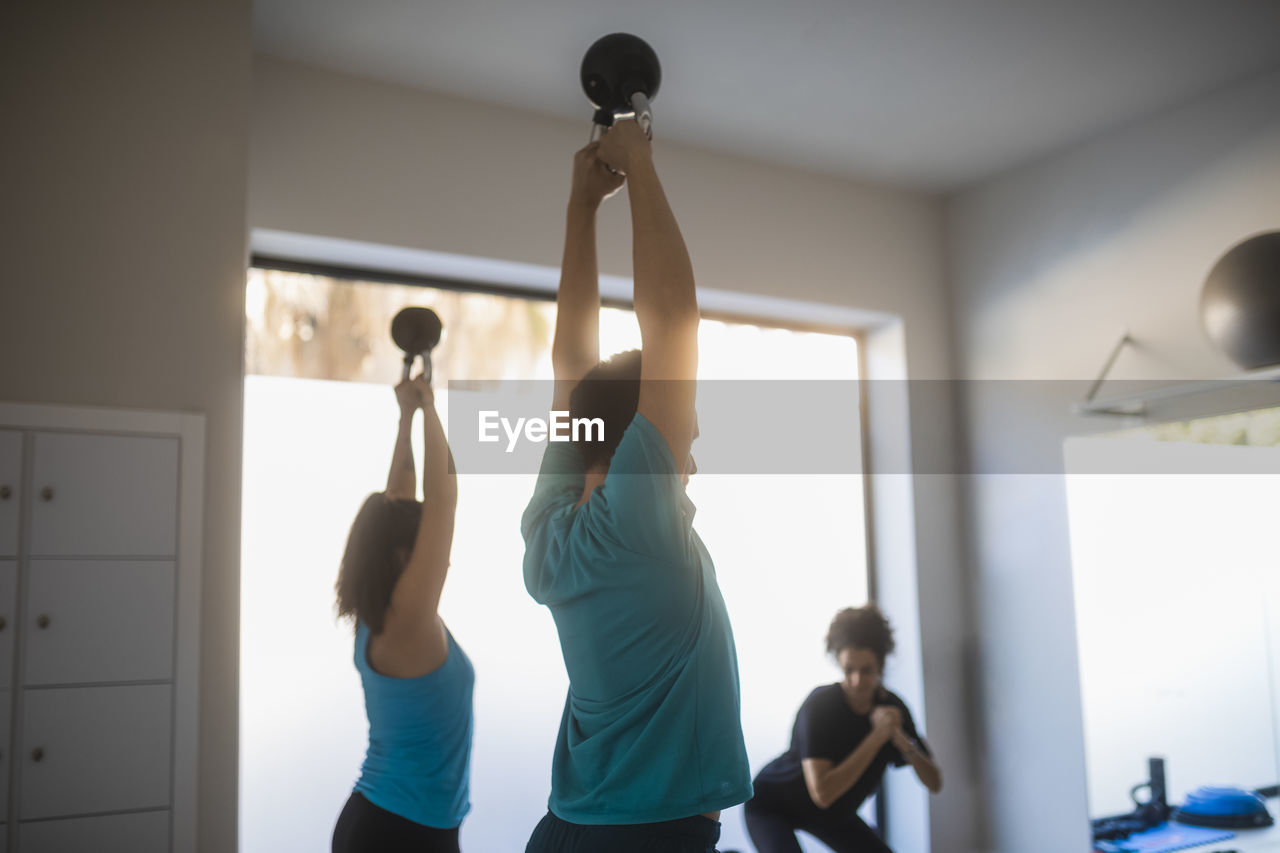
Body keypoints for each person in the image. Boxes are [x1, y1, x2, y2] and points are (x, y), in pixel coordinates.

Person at [521, 120, 752, 853]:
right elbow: (673, 320)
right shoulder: (637, 524)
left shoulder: (552, 527)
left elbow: (572, 368)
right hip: (645, 842)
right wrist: (639, 164)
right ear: (637, 448)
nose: (689, 459)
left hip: (569, 829)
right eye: (683, 440)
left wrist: (582, 209)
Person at [332, 372, 472, 853]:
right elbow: (443, 501)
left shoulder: (380, 616)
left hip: (394, 823)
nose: (443, 556)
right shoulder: (406, 619)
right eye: (422, 546)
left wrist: (406, 417)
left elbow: (401, 502)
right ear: (398, 557)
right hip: (400, 833)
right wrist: (430, 406)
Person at [743, 605, 942, 853]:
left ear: (880, 667)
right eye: (849, 670)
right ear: (839, 664)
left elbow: (935, 782)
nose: (857, 681)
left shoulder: (892, 707)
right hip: (773, 803)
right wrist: (878, 736)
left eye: (866, 671)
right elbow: (823, 793)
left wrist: (902, 741)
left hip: (834, 813)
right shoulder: (820, 705)